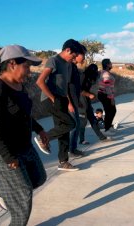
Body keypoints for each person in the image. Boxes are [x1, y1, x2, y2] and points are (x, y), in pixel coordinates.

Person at [0, 45, 47, 225]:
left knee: (39, 177)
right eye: (26, 66)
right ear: (12, 64)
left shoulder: (19, 85)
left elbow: (23, 114)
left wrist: (39, 129)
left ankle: (0, 192)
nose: (29, 72)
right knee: (22, 199)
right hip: (4, 150)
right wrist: (8, 157)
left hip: (24, 145)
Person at [35, 39, 85, 171]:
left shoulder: (68, 65)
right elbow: (40, 81)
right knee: (71, 124)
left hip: (62, 99)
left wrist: (68, 101)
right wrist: (52, 98)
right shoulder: (53, 60)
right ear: (68, 50)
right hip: (51, 99)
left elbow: (64, 86)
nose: (74, 59)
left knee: (64, 130)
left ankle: (63, 162)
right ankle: (44, 138)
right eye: (73, 56)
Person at [78, 64, 109, 144]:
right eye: (95, 71)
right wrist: (89, 95)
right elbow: (78, 90)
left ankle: (102, 137)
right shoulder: (83, 76)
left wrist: (90, 94)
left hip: (86, 100)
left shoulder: (89, 77)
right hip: (81, 101)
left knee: (93, 119)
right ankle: (81, 140)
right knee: (82, 122)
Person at [68, 44, 87, 157]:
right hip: (70, 102)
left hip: (75, 100)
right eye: (83, 54)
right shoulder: (69, 67)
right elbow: (65, 86)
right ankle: (71, 149)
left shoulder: (74, 67)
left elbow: (75, 87)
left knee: (77, 124)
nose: (84, 57)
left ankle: (73, 148)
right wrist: (69, 102)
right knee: (74, 125)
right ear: (77, 54)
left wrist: (78, 100)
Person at [98, 58, 117, 135]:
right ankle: (107, 129)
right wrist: (111, 98)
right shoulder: (106, 74)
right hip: (105, 94)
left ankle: (108, 127)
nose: (111, 64)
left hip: (104, 94)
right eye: (110, 63)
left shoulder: (104, 72)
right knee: (110, 111)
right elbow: (107, 86)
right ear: (107, 64)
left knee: (111, 111)